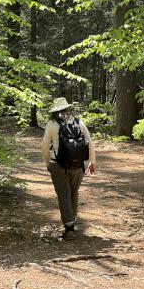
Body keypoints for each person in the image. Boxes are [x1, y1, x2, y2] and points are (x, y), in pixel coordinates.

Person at [42, 97, 96, 239]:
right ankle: (72, 219)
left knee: (63, 194)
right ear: (68, 109)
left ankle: (69, 227)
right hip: (78, 165)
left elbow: (45, 147)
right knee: (73, 192)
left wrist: (47, 163)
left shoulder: (51, 124)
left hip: (57, 165)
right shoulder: (78, 122)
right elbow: (90, 143)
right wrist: (92, 161)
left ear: (55, 111)